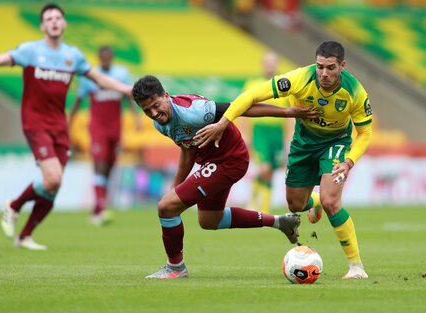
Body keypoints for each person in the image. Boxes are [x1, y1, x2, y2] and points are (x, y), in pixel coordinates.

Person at [194, 41, 373, 279]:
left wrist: (349, 161)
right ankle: (315, 201)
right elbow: (251, 96)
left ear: (342, 65)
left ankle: (356, 266)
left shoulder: (355, 91)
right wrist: (223, 123)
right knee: (295, 204)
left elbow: (365, 132)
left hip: (335, 143)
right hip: (303, 143)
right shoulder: (300, 78)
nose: (324, 73)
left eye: (330, 68)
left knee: (332, 201)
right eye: (320, 67)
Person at [0, 3, 132, 250]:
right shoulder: (31, 51)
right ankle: (14, 205)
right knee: (53, 178)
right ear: (42, 26)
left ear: (63, 24)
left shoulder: (73, 56)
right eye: (49, 18)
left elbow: (99, 78)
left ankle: (25, 236)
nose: (53, 21)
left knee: (53, 186)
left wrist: (125, 89)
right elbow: (0, 60)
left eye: (57, 17)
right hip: (35, 122)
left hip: (59, 126)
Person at [132, 75, 319, 279]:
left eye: (156, 105)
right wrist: (176, 186)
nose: (154, 113)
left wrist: (287, 112)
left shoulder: (195, 111)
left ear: (166, 96)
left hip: (230, 159)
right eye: (147, 110)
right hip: (214, 162)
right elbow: (187, 150)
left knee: (165, 208)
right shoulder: (161, 123)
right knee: (210, 220)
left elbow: (241, 107)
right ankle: (280, 222)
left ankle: (175, 268)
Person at [70, 46, 141, 226]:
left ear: (112, 57)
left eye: (108, 56)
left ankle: (97, 208)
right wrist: (69, 122)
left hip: (115, 129)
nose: (106, 59)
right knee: (100, 165)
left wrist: (137, 118)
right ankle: (101, 209)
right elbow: (78, 101)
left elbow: (128, 97)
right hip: (98, 129)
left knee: (109, 168)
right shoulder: (90, 77)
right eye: (103, 57)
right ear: (99, 58)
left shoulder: (121, 74)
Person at [241, 51, 292, 213]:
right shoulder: (252, 84)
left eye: (273, 62)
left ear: (277, 64)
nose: (270, 65)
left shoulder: (284, 86)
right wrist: (245, 133)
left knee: (271, 171)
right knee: (264, 168)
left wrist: (289, 137)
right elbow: (243, 109)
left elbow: (290, 113)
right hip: (260, 132)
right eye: (267, 62)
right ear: (263, 64)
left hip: (277, 133)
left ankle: (264, 208)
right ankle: (255, 201)